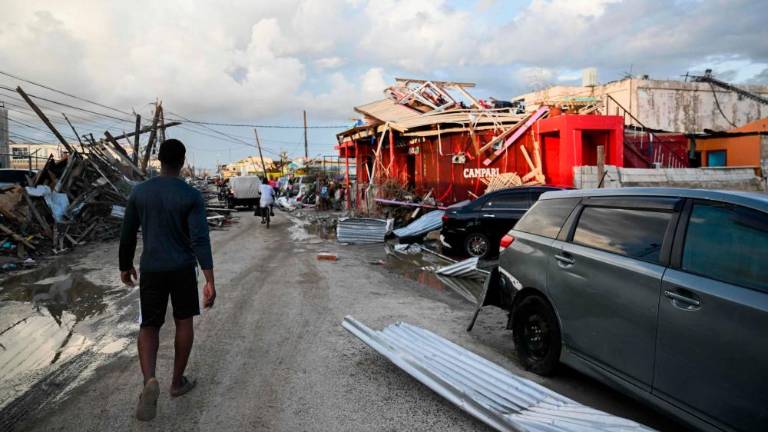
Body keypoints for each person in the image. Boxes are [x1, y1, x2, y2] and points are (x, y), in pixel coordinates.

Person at [119, 139, 216, 422]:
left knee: (149, 326)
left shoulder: (140, 193)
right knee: (184, 322)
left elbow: (127, 232)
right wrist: (210, 280)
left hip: (152, 268)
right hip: (183, 268)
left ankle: (149, 380)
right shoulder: (191, 195)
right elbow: (200, 239)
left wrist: (125, 265)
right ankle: (176, 383)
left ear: (159, 160)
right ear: (183, 162)